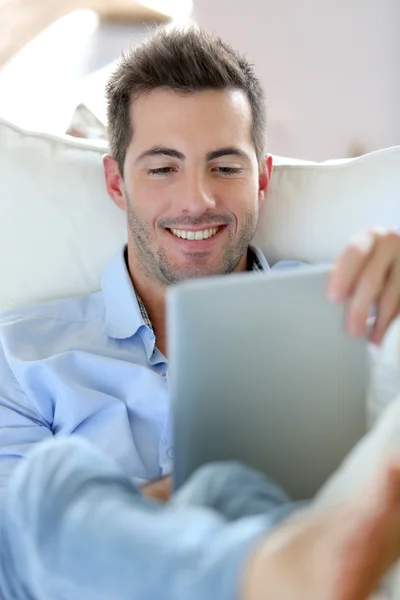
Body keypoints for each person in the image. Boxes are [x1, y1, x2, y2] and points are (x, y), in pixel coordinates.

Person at [0, 24, 400, 599]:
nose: (198, 200)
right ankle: (265, 566)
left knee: (233, 490)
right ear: (117, 183)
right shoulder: (23, 354)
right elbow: (20, 557)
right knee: (46, 484)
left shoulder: (344, 304)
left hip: (303, 561)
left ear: (262, 179)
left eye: (226, 167)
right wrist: (181, 508)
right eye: (163, 168)